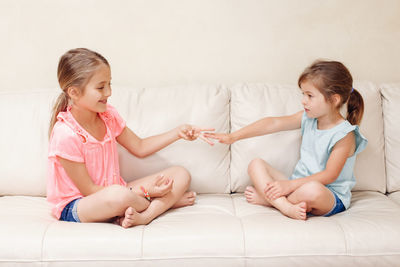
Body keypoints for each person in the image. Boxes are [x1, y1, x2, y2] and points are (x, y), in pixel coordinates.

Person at [47, 48, 214, 228]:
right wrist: (145, 192)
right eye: (101, 87)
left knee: (180, 174)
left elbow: (140, 147)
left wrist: (177, 133)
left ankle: (145, 213)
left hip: (119, 193)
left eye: (109, 84)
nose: (109, 92)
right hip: (80, 204)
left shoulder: (108, 116)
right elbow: (90, 191)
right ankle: (163, 204)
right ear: (74, 92)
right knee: (119, 196)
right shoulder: (65, 133)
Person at [205, 60, 368, 220]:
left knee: (312, 190)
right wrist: (233, 137)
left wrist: (289, 186)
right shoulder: (308, 118)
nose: (303, 100)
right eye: (303, 94)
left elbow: (329, 175)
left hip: (329, 196)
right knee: (256, 164)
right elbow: (272, 123)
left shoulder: (344, 134)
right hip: (296, 186)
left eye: (310, 96)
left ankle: (272, 201)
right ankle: (284, 204)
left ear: (334, 100)